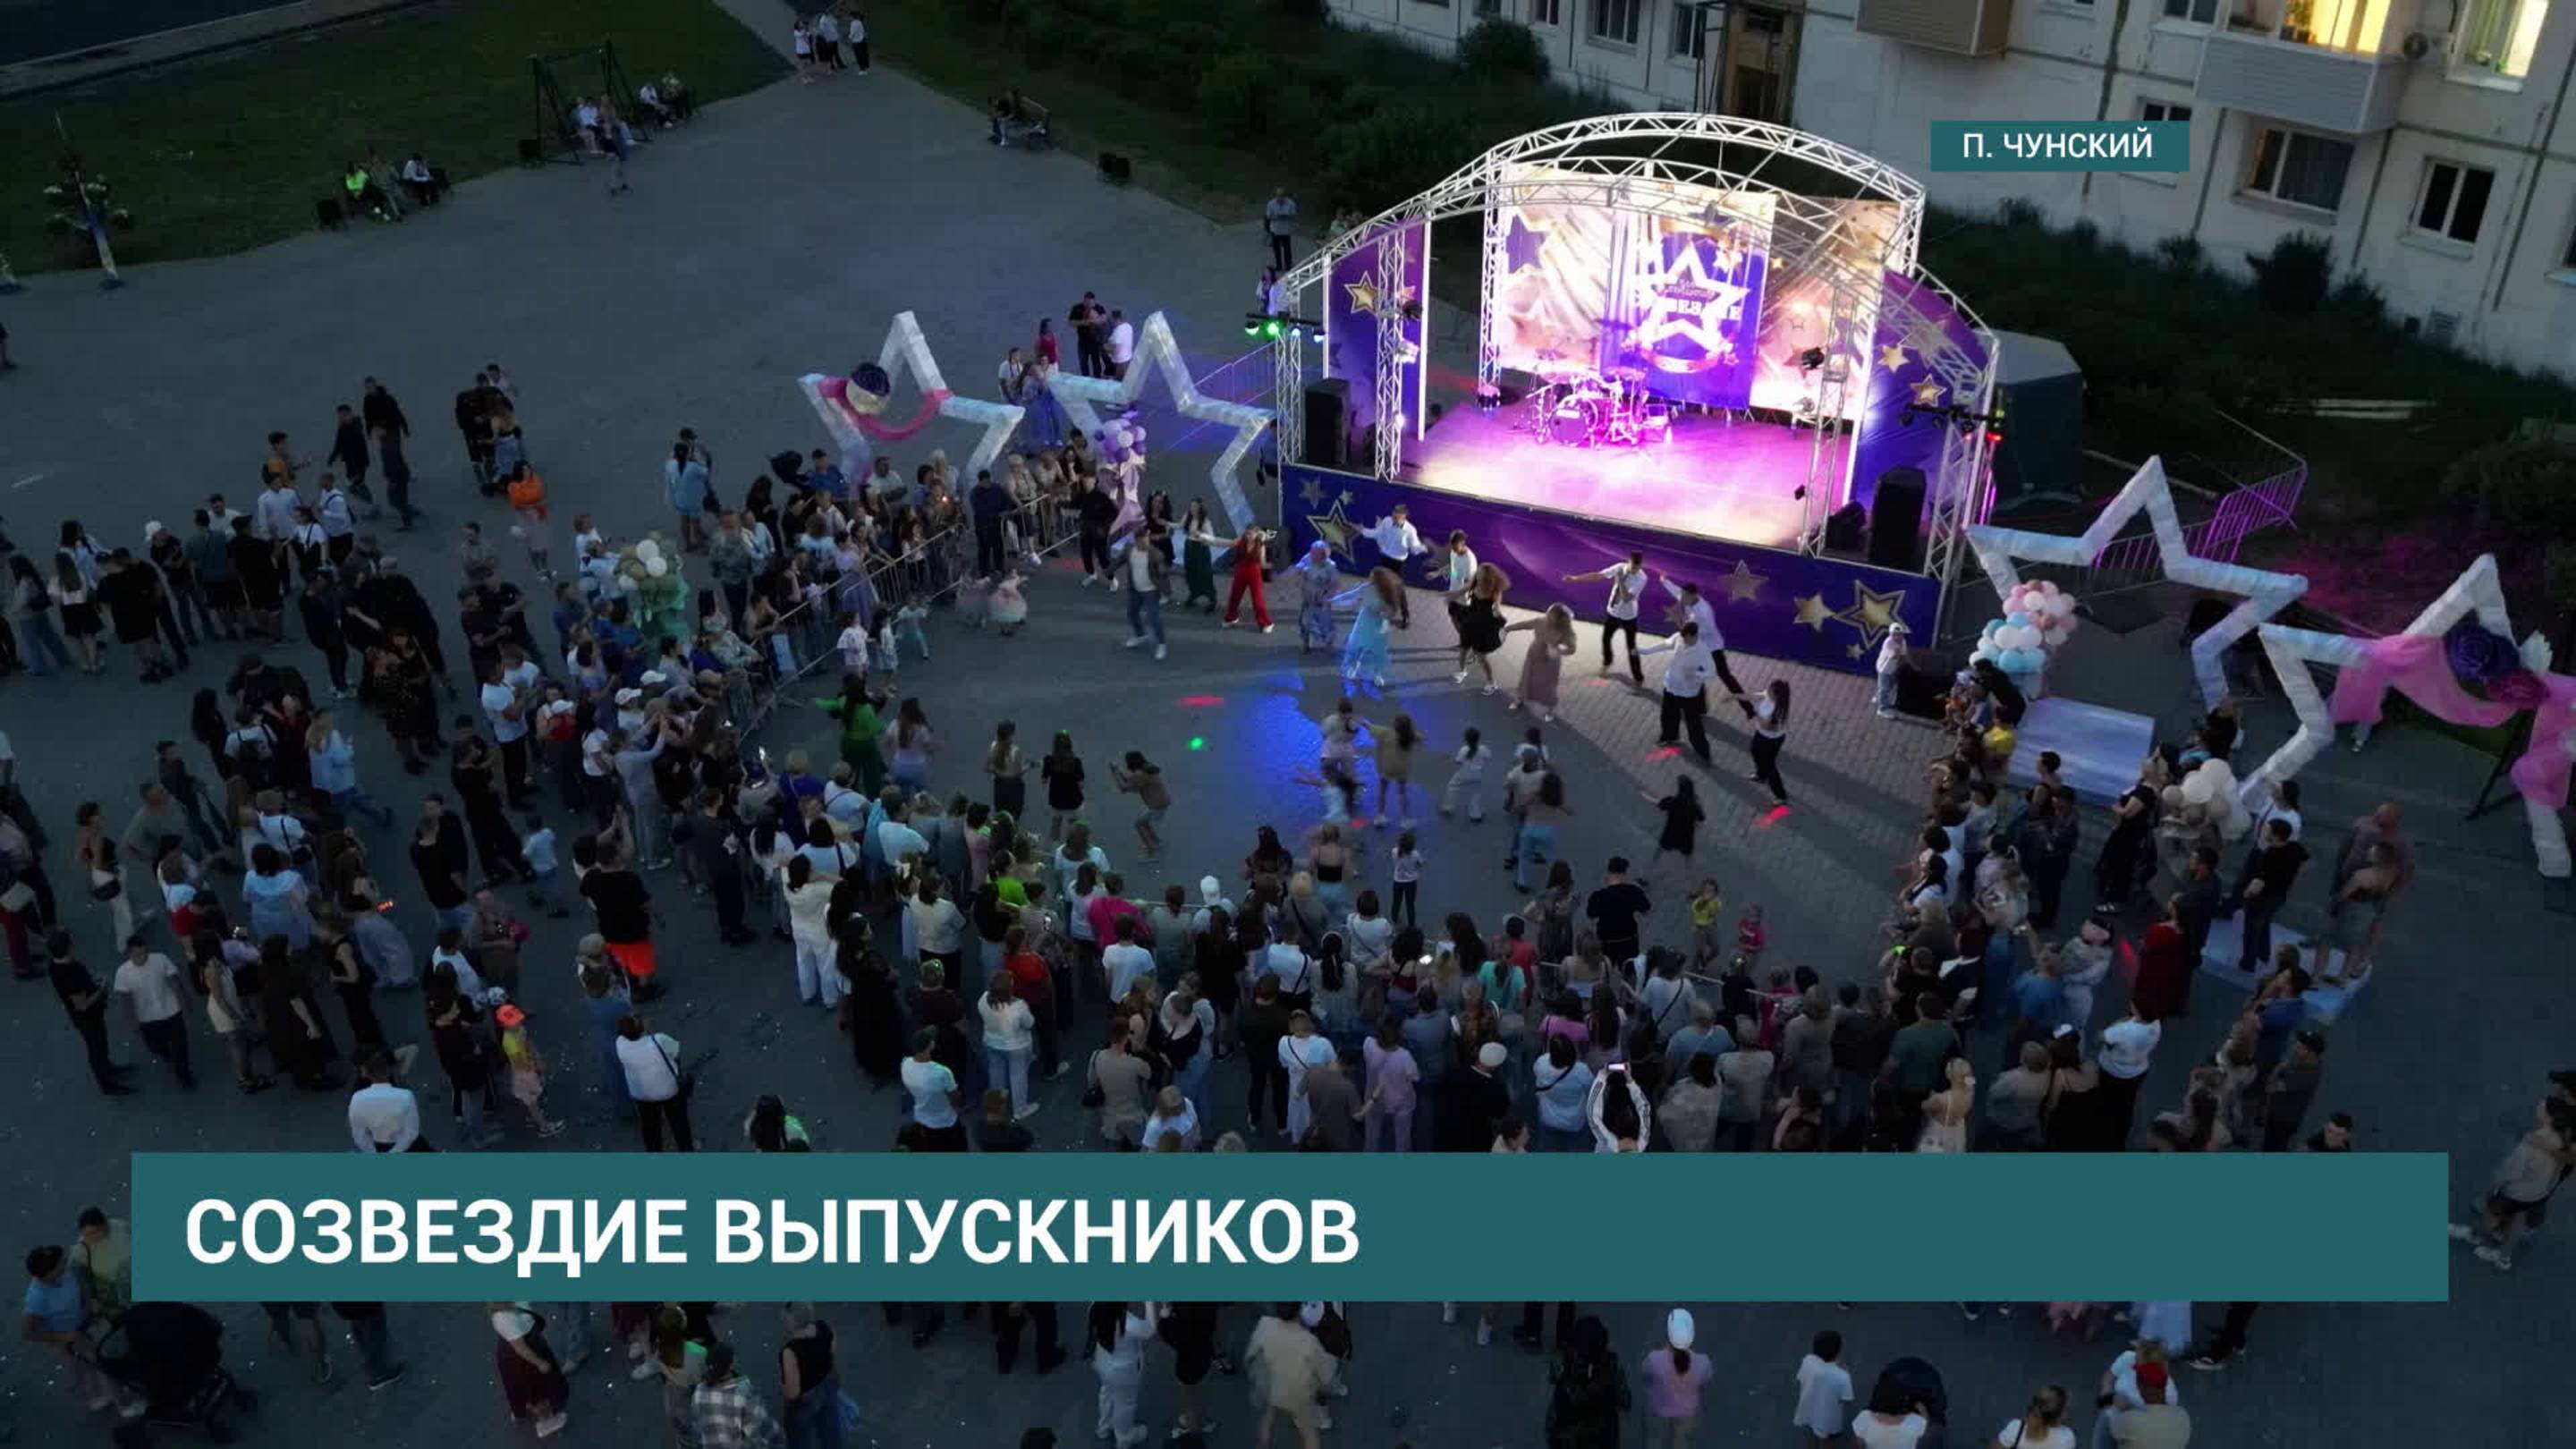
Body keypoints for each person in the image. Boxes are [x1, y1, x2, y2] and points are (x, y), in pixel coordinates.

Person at [2450, 1097, 2574, 1271]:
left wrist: (2495, 1185)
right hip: (2538, 1194)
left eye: (2542, 1106)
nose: (2538, 1106)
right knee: (2519, 1223)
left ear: (2549, 1117)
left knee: (2491, 1215)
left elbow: (2511, 1170)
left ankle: (2475, 1236)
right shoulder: (2563, 1144)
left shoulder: (2532, 1141)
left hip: (2516, 1193)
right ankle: (2503, 1258)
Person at [489, 1302, 570, 1438]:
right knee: (537, 1388)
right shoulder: (505, 1318)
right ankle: (545, 1420)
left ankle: (525, 1407)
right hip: (523, 1357)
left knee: (525, 1387)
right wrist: (540, 1363)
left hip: (523, 1350)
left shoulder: (508, 1308)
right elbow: (520, 1348)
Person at [614, 1014, 693, 1152]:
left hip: (642, 1095)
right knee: (679, 1123)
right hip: (669, 1091)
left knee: (650, 1129)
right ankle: (686, 1150)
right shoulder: (658, 1040)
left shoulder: (620, 1044)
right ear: (642, 1029)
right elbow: (676, 1050)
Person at [1088, 1301, 1157, 1449]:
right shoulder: (1128, 1323)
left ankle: (1104, 1427)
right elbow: (1149, 1330)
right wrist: (1149, 1302)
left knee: (1106, 1393)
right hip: (1123, 1371)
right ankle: (1124, 1438)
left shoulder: (1094, 1306)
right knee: (1125, 1404)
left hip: (1102, 1360)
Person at [1791, 1329, 1852, 1446]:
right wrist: (1844, 1369)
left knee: (1811, 1434)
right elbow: (1846, 1398)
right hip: (1829, 1418)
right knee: (1827, 1441)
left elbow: (1800, 1378)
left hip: (1809, 1409)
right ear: (1838, 1352)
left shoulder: (1807, 1360)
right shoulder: (1842, 1375)